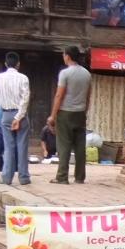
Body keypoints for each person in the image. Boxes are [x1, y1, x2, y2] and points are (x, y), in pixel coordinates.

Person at [47, 46, 92, 184]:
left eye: (64, 55)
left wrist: (52, 115)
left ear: (67, 56)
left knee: (64, 145)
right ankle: (80, 176)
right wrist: (85, 111)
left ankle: (62, 176)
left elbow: (59, 95)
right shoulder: (86, 74)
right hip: (80, 113)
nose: (63, 57)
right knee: (80, 145)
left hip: (65, 112)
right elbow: (88, 96)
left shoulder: (65, 73)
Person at [0, 51, 31, 186]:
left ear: (6, 64)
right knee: (22, 146)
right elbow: (25, 99)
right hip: (20, 115)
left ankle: (6, 177)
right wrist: (18, 117)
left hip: (5, 114)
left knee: (8, 147)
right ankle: (23, 177)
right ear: (18, 64)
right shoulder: (23, 78)